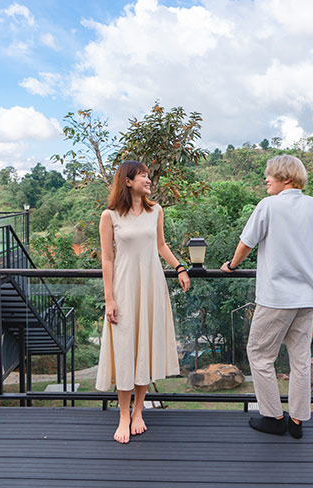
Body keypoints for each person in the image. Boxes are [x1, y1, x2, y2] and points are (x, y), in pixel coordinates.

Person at [222, 154, 313, 439]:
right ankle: (297, 421)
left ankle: (273, 417)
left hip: (276, 298)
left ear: (287, 178)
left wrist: (231, 265)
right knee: (300, 360)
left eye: (271, 175)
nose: (266, 179)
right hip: (307, 298)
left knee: (259, 355)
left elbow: (246, 243)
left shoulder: (269, 206)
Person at [95, 160, 190, 443]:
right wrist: (109, 298)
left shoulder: (156, 210)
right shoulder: (110, 216)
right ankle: (123, 416)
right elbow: (107, 259)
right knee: (126, 350)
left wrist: (179, 267)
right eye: (143, 176)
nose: (148, 180)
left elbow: (161, 245)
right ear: (127, 181)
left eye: (148, 176)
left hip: (151, 287)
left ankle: (138, 411)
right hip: (124, 289)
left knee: (143, 349)